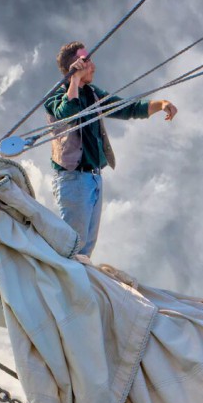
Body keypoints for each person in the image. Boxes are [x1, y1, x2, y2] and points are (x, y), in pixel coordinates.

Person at [44, 41, 178, 256]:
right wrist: (74, 80)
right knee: (71, 246)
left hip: (94, 177)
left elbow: (127, 108)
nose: (94, 66)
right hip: (73, 178)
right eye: (88, 61)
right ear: (75, 65)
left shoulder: (93, 94)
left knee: (85, 249)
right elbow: (67, 113)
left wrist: (160, 104)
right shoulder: (55, 96)